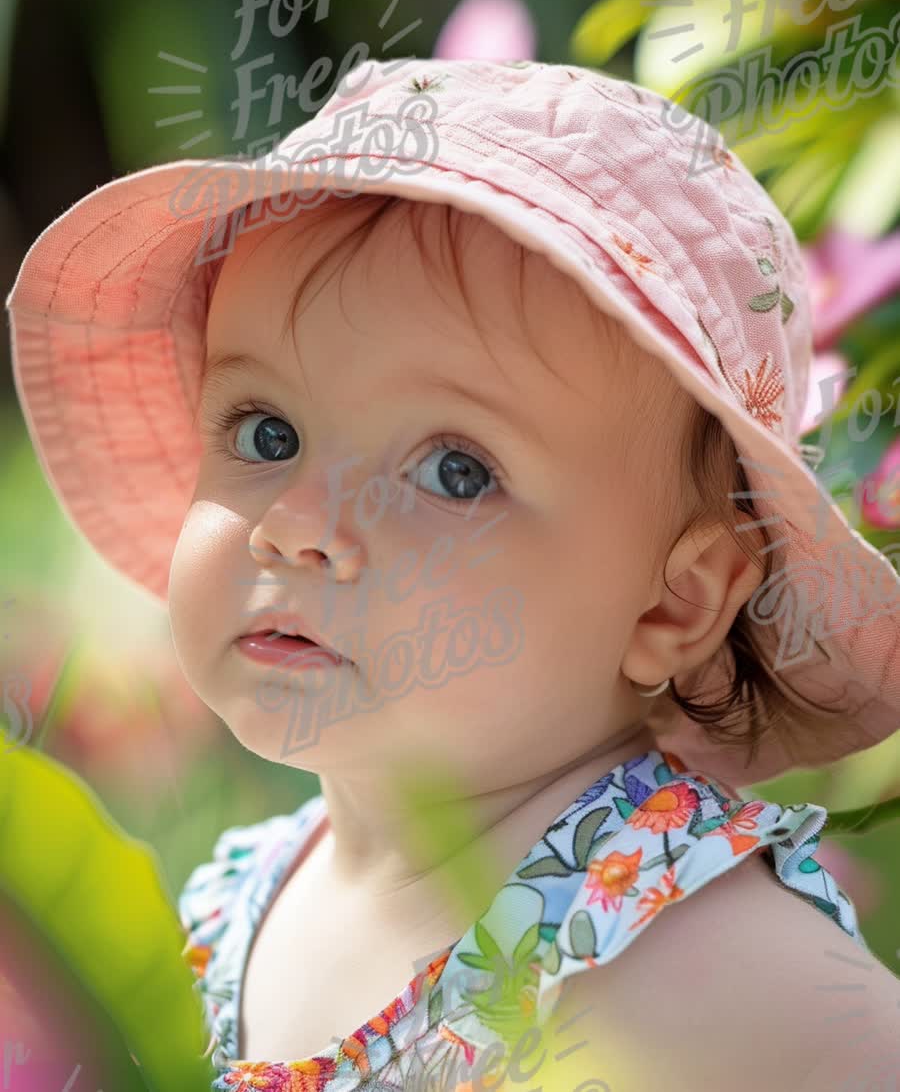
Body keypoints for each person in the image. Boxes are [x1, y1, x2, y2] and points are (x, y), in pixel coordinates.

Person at [6, 58, 900, 1092]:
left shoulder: (700, 955)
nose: (298, 528)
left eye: (454, 471)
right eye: (267, 431)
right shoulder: (242, 894)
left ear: (675, 599)